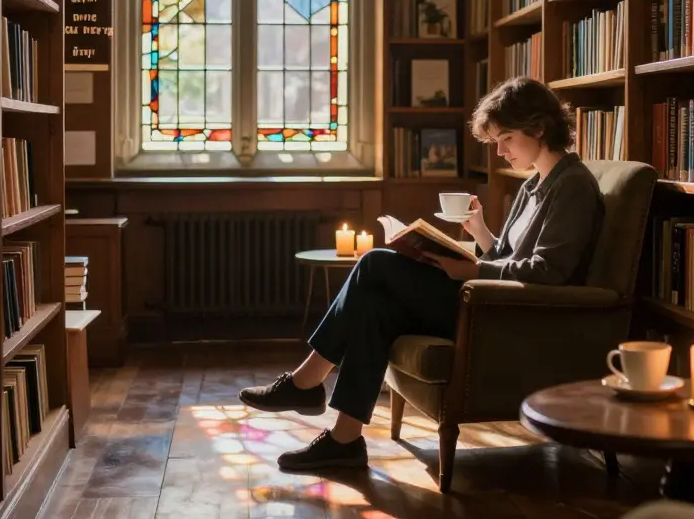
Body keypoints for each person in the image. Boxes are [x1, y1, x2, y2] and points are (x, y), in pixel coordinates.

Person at [239, 76, 605, 471]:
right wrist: (480, 233)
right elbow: (507, 255)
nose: (499, 151)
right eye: (496, 141)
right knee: (376, 304)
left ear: (538, 128)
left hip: (509, 316)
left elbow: (548, 272)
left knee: (375, 263)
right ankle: (344, 440)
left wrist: (473, 268)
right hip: (488, 299)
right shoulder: (535, 183)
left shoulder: (573, 187)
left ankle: (306, 383)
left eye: (506, 139)